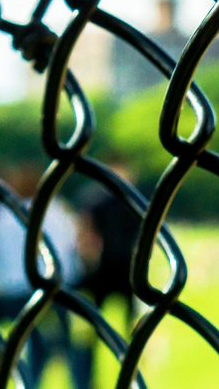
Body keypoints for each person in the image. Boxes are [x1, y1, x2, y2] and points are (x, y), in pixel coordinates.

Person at [0, 166, 85, 388]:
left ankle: (8, 378)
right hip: (56, 292)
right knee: (57, 340)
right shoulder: (58, 211)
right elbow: (74, 250)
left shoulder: (2, 213)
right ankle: (59, 381)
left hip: (9, 294)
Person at [74, 162, 143, 387]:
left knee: (117, 327)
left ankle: (128, 374)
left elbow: (86, 235)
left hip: (116, 269)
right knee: (118, 328)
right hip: (119, 269)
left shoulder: (104, 200)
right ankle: (129, 375)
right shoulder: (130, 201)